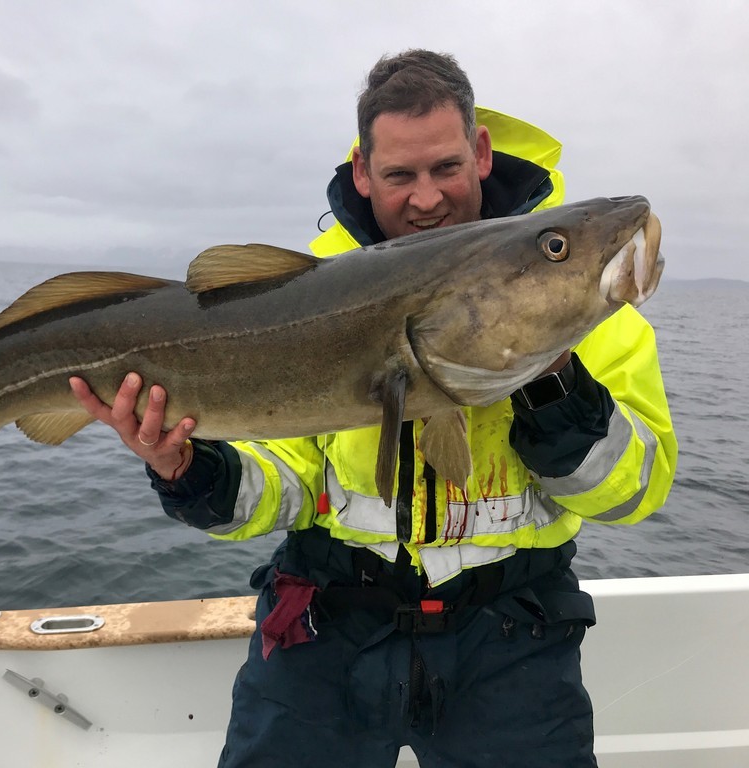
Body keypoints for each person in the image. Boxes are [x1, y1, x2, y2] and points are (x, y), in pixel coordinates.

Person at [70, 49, 677, 768]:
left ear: (480, 152)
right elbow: (282, 490)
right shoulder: (300, 295)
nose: (426, 199)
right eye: (399, 176)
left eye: (445, 168)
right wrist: (185, 469)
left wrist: (551, 381)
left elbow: (633, 494)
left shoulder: (594, 320)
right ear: (363, 170)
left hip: (515, 639)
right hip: (326, 626)